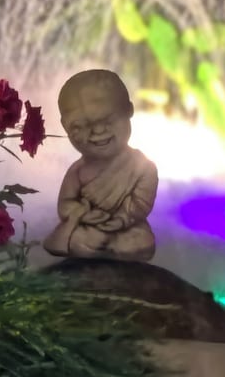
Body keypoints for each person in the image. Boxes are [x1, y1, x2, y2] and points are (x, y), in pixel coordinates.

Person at [43, 69, 158, 261]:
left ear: (129, 110)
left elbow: (141, 202)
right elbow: (65, 205)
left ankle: (104, 248)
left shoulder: (143, 167)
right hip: (89, 228)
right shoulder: (78, 171)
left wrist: (121, 219)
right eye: (81, 126)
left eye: (108, 120)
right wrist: (83, 214)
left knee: (141, 240)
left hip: (127, 228)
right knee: (80, 239)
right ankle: (95, 247)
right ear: (65, 126)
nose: (97, 131)